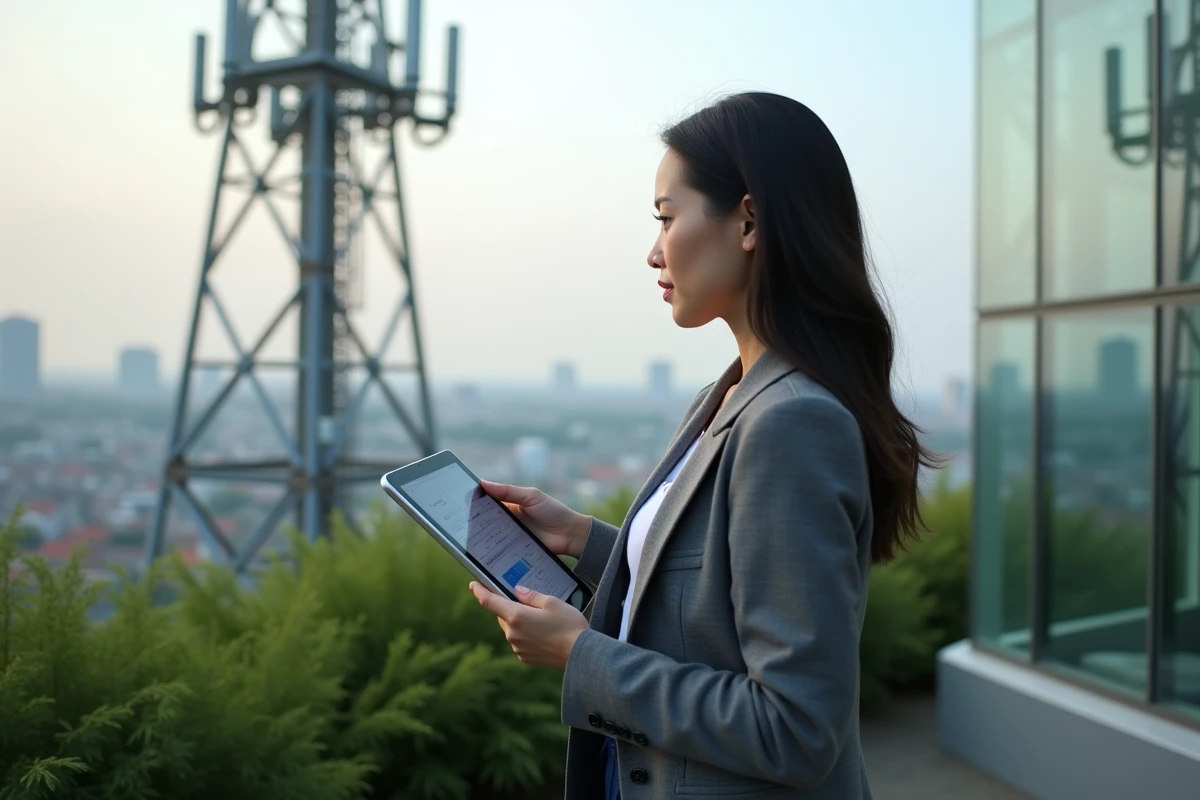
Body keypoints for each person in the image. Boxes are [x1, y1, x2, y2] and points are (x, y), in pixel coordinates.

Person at [468, 91, 936, 800]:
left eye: (666, 217)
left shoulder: (789, 423)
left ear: (748, 221)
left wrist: (580, 655)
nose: (653, 251)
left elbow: (796, 728)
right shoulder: (727, 396)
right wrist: (587, 540)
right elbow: (717, 593)